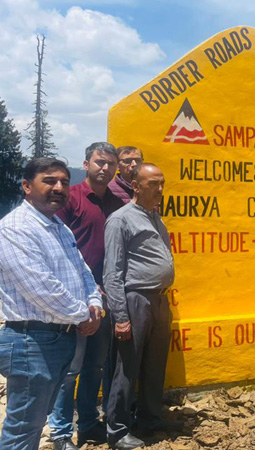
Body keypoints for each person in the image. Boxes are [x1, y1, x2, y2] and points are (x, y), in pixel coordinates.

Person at [0, 158, 103, 450]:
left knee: (33, 423)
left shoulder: (59, 227)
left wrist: (94, 303)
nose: (58, 188)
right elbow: (41, 288)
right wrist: (85, 314)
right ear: (26, 186)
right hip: (31, 342)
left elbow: (83, 272)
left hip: (59, 338)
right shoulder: (15, 228)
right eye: (49, 181)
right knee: (23, 430)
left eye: (64, 182)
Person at [49, 143, 124, 449]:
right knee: (71, 370)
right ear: (87, 163)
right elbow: (55, 247)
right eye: (99, 162)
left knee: (95, 365)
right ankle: (61, 433)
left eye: (110, 164)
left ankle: (90, 425)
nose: (105, 168)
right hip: (75, 298)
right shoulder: (72, 199)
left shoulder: (117, 203)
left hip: (105, 298)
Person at [104, 163, 179, 449]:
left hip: (159, 299)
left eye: (162, 183)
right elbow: (113, 272)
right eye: (153, 184)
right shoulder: (121, 219)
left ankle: (149, 418)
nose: (160, 189)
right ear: (135, 186)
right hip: (135, 299)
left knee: (155, 363)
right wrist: (121, 317)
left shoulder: (155, 217)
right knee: (127, 367)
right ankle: (118, 430)